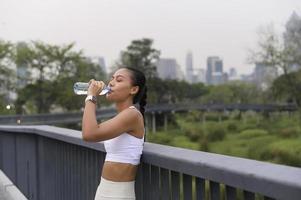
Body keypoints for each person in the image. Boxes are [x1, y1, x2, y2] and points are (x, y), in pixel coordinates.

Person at [81, 67, 147, 200]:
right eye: (111, 78)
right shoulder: (121, 117)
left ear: (133, 89)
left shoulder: (132, 115)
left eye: (119, 80)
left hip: (119, 195)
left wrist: (91, 96)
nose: (111, 83)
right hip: (104, 190)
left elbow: (89, 134)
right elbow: (92, 130)